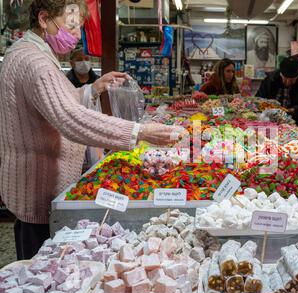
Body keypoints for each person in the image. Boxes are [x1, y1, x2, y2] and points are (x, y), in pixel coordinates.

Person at [0, 0, 183, 260]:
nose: (76, 34)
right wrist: (139, 132)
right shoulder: (35, 62)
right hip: (38, 190)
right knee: (41, 272)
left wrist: (93, 89)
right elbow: (69, 118)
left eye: (80, 28)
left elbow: (54, 104)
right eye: (72, 25)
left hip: (39, 186)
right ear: (44, 19)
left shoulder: (32, 53)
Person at [256, 57, 298, 126]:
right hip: (269, 121)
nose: (288, 82)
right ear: (280, 74)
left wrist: (294, 110)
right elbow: (258, 99)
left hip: (296, 123)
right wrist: (267, 107)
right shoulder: (270, 80)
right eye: (285, 78)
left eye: (292, 80)